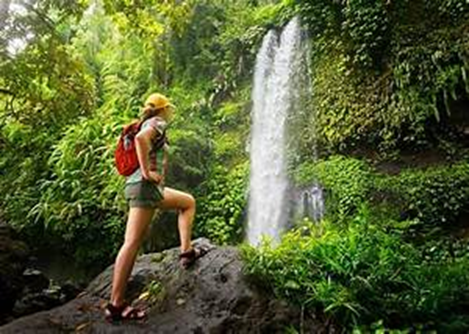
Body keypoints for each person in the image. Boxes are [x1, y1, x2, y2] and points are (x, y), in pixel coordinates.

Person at [105, 93, 206, 321]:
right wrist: (147, 171)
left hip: (139, 187)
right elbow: (141, 139)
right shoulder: (157, 123)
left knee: (187, 202)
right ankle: (116, 304)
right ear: (163, 109)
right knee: (131, 244)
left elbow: (140, 140)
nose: (169, 112)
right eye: (168, 108)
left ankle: (186, 251)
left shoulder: (143, 122)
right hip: (145, 187)